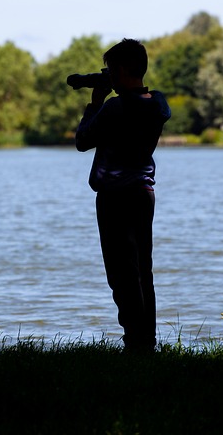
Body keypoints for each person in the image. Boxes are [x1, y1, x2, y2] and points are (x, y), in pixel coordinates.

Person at [75, 38, 171, 351]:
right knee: (143, 269)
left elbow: (83, 140)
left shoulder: (115, 107)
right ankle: (148, 341)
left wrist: (95, 101)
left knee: (121, 273)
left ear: (119, 70)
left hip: (115, 197)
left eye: (110, 70)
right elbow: (154, 103)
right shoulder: (157, 104)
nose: (108, 75)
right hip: (143, 194)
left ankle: (135, 343)